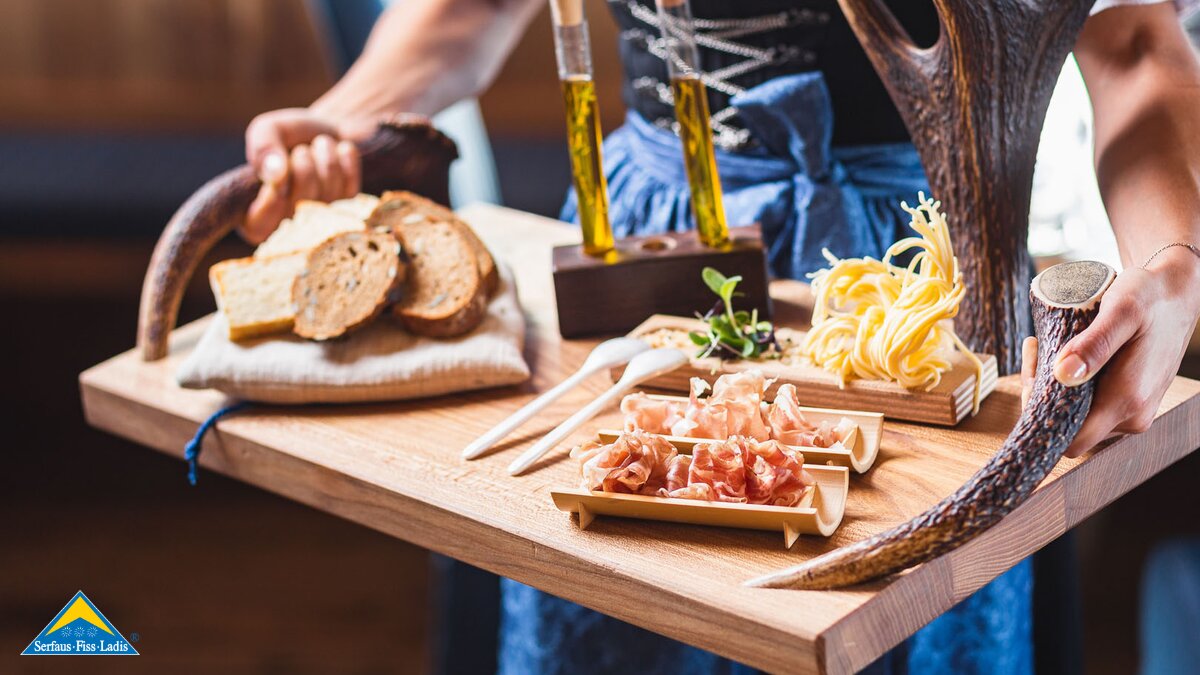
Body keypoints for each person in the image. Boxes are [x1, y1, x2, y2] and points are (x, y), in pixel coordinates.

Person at [240, 1, 1200, 673]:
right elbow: (477, 8)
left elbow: (1131, 43)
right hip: (647, 254)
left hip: (920, 282)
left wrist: (1176, 259)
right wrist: (344, 118)